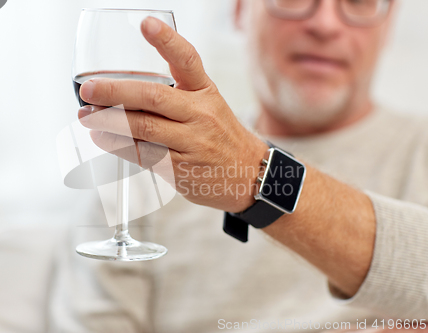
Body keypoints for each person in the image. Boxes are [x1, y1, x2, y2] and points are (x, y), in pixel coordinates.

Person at [62, 0, 428, 332]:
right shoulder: (136, 171)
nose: (326, 24)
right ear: (239, 10)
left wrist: (253, 172)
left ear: (389, 21)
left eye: (359, 1)